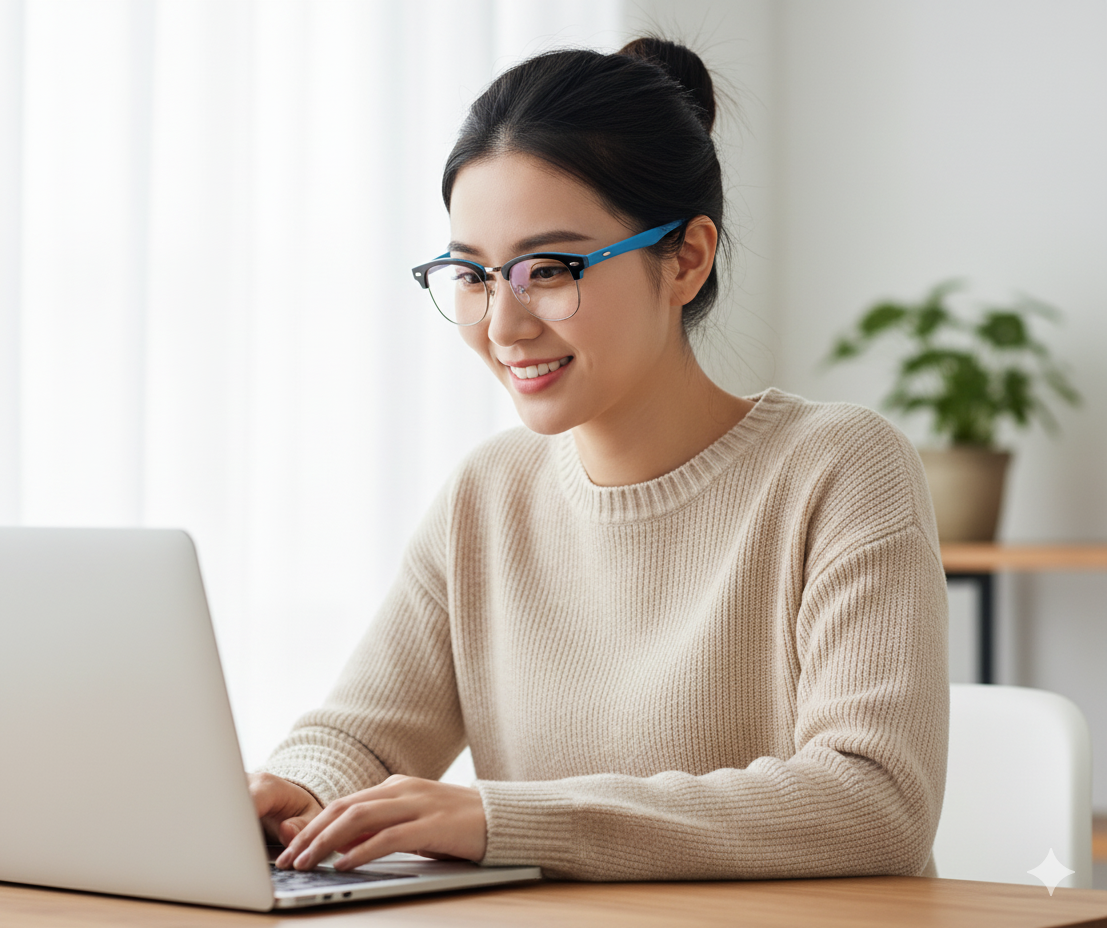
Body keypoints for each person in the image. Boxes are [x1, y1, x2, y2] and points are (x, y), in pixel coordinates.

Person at [250, 37, 949, 882]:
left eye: (549, 270)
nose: (503, 326)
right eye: (473, 275)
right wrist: (298, 791)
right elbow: (364, 737)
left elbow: (874, 802)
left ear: (686, 259)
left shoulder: (838, 470)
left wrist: (504, 820)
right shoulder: (487, 496)